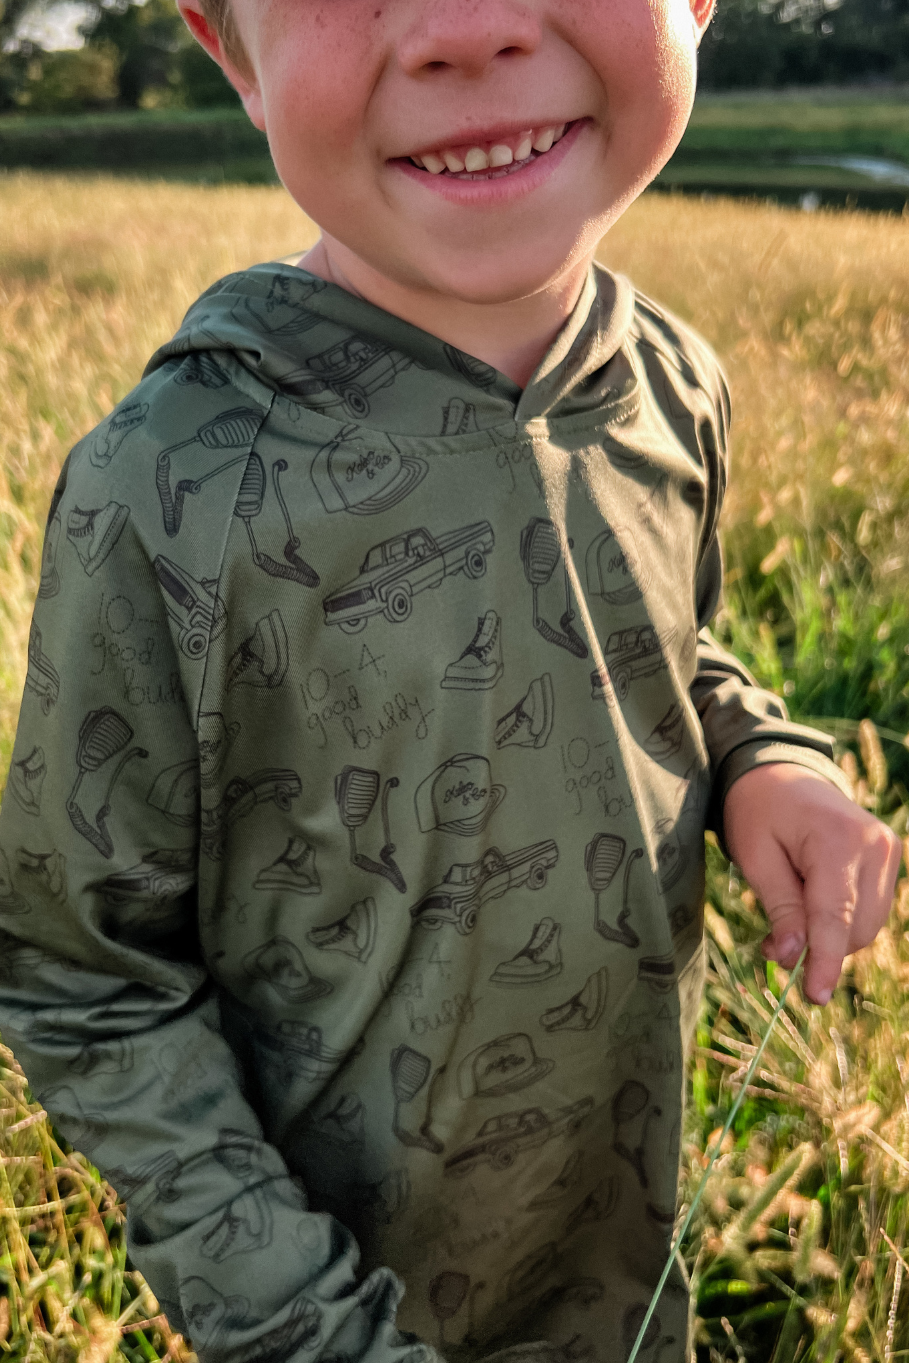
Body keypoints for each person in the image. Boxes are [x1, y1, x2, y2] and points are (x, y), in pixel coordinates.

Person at [0, 2, 901, 1361]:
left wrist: (766, 756)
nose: (467, 28)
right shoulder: (166, 486)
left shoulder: (668, 383)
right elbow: (86, 974)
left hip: (626, 1275)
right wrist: (308, 1324)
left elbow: (660, 647)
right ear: (229, 49)